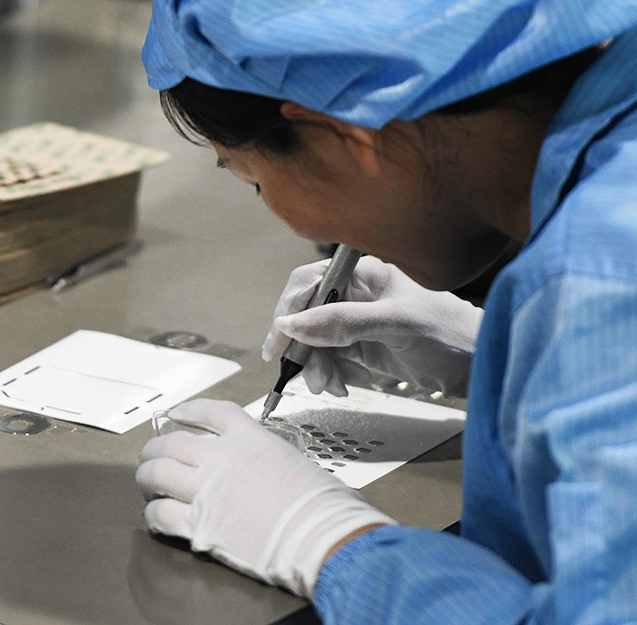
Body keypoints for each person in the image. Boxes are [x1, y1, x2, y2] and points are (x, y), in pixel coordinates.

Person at [134, 1, 637, 623]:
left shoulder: (603, 277)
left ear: (343, 134)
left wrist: (329, 544)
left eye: (255, 182)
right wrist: (506, 357)